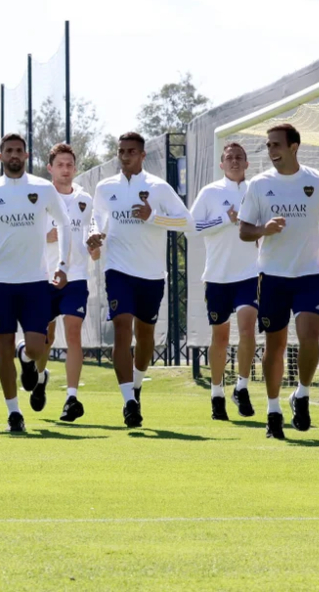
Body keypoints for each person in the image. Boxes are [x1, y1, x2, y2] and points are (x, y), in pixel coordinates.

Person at [238, 123, 319, 440]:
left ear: (294, 147)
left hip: (309, 274)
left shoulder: (318, 181)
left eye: (276, 145)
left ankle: (301, 394)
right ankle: (273, 412)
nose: (271, 151)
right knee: (276, 345)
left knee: (310, 336)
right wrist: (264, 230)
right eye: (269, 146)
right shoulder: (259, 185)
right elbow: (244, 230)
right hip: (271, 276)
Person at [0, 133, 71, 433]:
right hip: (0, 282)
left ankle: (27, 359)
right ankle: (14, 412)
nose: (14, 155)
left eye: (19, 151)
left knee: (37, 348)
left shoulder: (43, 187)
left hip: (36, 282)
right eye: (8, 150)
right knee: (3, 345)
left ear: (26, 156)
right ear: (0, 156)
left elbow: (64, 224)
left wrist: (62, 264)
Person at [86, 132, 192, 428]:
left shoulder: (158, 187)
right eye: (121, 151)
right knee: (121, 328)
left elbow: (188, 221)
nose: (125, 156)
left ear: (143, 155)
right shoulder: (105, 187)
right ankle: (129, 402)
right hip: (117, 270)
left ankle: (136, 385)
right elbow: (97, 218)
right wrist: (93, 235)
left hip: (151, 274)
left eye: (131, 151)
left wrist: (153, 217)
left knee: (145, 336)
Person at [189, 142, 259, 421]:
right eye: (229, 158)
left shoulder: (256, 190)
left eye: (239, 157)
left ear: (246, 163)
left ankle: (241, 387)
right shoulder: (210, 192)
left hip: (250, 274)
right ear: (221, 164)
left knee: (247, 330)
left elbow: (264, 226)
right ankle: (217, 393)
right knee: (220, 336)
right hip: (217, 276)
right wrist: (224, 219)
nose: (234, 161)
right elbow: (190, 228)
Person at [40, 143, 100, 422]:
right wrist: (45, 236)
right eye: (59, 165)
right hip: (44, 277)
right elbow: (26, 233)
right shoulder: (38, 197)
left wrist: (95, 248)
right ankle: (40, 376)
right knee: (44, 339)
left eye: (69, 165)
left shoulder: (85, 200)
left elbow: (92, 236)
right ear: (50, 168)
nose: (65, 170)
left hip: (76, 276)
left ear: (75, 169)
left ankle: (71, 397)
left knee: (73, 334)